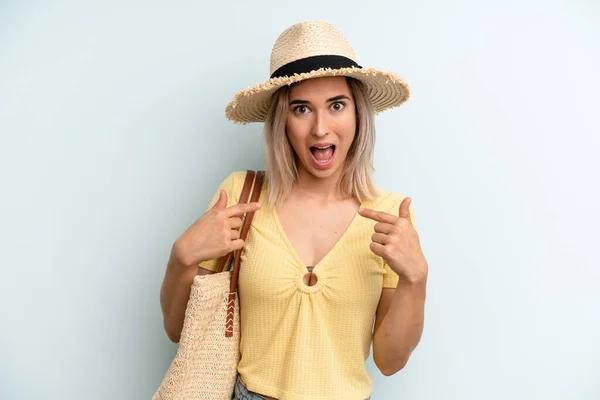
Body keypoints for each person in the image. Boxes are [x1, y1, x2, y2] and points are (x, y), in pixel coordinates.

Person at [159, 20, 429, 400]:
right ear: (282, 122)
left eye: (337, 105)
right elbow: (177, 330)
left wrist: (416, 280)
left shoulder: (391, 215)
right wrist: (180, 259)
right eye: (302, 109)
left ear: (357, 115)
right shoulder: (240, 195)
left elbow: (389, 360)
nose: (320, 128)